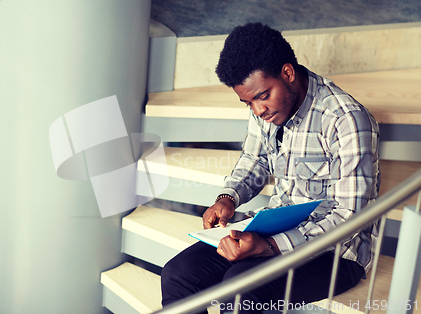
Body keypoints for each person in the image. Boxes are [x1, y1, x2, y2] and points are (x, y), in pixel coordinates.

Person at [160, 22, 380, 314]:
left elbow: (350, 217)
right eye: (247, 102)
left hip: (336, 252)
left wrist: (270, 247)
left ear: (287, 73)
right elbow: (256, 159)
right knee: (177, 275)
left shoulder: (345, 120)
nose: (258, 111)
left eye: (262, 96)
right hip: (273, 228)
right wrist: (227, 198)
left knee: (239, 290)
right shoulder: (265, 108)